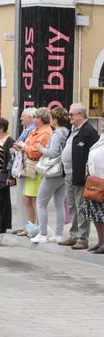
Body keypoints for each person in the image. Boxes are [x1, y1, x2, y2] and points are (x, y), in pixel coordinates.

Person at [58, 103, 99, 249]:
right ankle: (74, 234)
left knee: (81, 206)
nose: (69, 117)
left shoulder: (89, 131)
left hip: (80, 175)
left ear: (81, 115)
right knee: (72, 206)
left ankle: (82, 238)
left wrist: (87, 174)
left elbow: (93, 154)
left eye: (71, 114)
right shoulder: (73, 130)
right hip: (69, 173)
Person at [31, 107, 69, 243]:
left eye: (52, 118)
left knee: (40, 202)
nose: (50, 121)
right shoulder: (67, 132)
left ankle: (43, 233)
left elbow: (53, 152)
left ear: (56, 120)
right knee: (59, 203)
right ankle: (58, 234)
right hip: (62, 172)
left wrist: (40, 148)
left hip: (53, 172)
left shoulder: (57, 133)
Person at [13, 107, 53, 237]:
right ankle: (32, 227)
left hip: (38, 168)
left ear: (40, 119)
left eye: (35, 117)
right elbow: (30, 146)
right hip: (30, 167)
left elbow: (36, 151)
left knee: (36, 200)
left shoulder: (46, 132)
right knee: (26, 198)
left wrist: (24, 147)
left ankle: (40, 229)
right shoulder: (35, 130)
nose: (33, 119)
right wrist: (25, 147)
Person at [11, 107, 36, 235]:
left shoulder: (31, 130)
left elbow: (24, 146)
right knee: (23, 198)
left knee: (26, 199)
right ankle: (24, 225)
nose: (21, 119)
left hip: (26, 167)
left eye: (23, 117)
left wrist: (18, 146)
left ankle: (27, 226)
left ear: (30, 118)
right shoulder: (27, 129)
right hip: (21, 166)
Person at [83, 116, 104, 254]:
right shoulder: (101, 137)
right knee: (95, 215)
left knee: (102, 215)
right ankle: (100, 241)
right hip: (94, 181)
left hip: (102, 180)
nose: (102, 123)